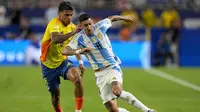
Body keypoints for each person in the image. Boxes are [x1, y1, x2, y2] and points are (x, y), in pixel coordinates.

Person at [62, 13, 156, 112]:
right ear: (81, 26)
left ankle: (148, 110)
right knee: (113, 109)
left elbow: (112, 18)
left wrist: (125, 18)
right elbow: (64, 50)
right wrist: (79, 51)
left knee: (117, 91)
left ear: (92, 22)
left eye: (90, 24)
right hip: (99, 74)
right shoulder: (79, 38)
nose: (89, 27)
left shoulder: (100, 26)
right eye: (86, 25)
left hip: (112, 66)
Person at [40, 1, 87, 112]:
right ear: (59, 14)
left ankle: (78, 111)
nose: (69, 18)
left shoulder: (72, 27)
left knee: (78, 80)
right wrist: (73, 33)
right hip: (48, 65)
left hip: (62, 62)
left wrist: (80, 63)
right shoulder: (54, 24)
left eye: (71, 15)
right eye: (66, 15)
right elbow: (55, 39)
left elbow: (76, 47)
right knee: (55, 96)